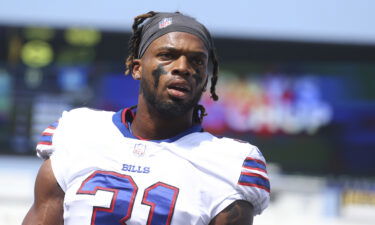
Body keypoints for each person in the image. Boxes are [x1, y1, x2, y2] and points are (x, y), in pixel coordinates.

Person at [23, 11, 270, 225]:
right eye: (167, 55)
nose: (183, 67)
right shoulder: (78, 133)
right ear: (137, 67)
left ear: (205, 77)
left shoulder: (229, 164)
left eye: (197, 61)